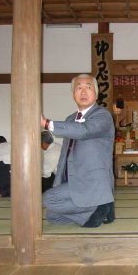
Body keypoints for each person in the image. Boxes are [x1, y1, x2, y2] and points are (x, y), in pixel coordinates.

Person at [41, 74, 115, 227]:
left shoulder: (103, 115)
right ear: (73, 94)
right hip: (73, 180)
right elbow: (64, 156)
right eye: (78, 88)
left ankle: (98, 206)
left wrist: (47, 123)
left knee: (49, 199)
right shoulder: (70, 119)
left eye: (88, 87)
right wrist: (58, 181)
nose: (83, 92)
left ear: (96, 93)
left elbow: (83, 130)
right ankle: (92, 213)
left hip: (92, 182)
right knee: (53, 218)